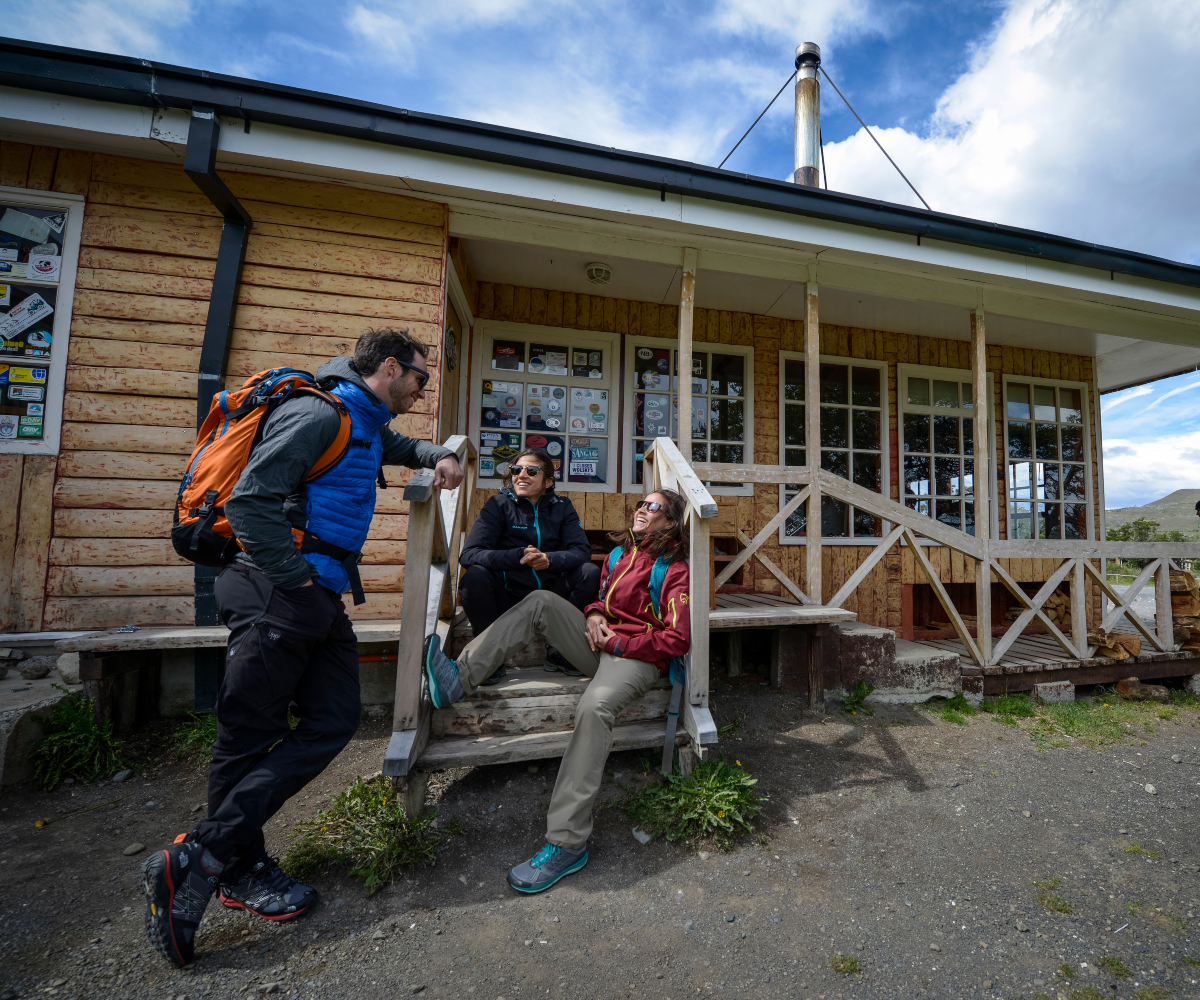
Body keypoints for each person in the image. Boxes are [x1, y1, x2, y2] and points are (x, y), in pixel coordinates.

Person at [142, 327, 463, 968]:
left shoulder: (362, 419)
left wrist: (435, 454)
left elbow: (392, 445)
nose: (422, 389)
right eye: (421, 379)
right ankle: (218, 865)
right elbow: (252, 499)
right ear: (392, 369)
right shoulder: (320, 412)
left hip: (314, 592)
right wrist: (295, 581)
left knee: (334, 719)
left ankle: (214, 855)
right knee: (249, 732)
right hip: (278, 587)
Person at [423, 489, 690, 893]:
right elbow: (600, 597)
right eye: (641, 503)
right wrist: (595, 614)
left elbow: (678, 639)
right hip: (601, 643)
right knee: (542, 601)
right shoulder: (619, 555)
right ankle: (458, 679)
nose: (641, 510)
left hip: (637, 659)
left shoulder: (676, 570)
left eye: (652, 507)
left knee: (594, 707)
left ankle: (567, 843)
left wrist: (620, 644)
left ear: (670, 522)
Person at [458, 449, 599, 682]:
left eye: (531, 470)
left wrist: (550, 560)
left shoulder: (562, 506)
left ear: (548, 481)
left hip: (551, 594)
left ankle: (561, 652)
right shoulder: (498, 505)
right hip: (507, 597)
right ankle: (489, 657)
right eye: (516, 470)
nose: (521, 475)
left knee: (589, 572)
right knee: (474, 576)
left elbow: (582, 551)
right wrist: (518, 556)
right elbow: (470, 554)